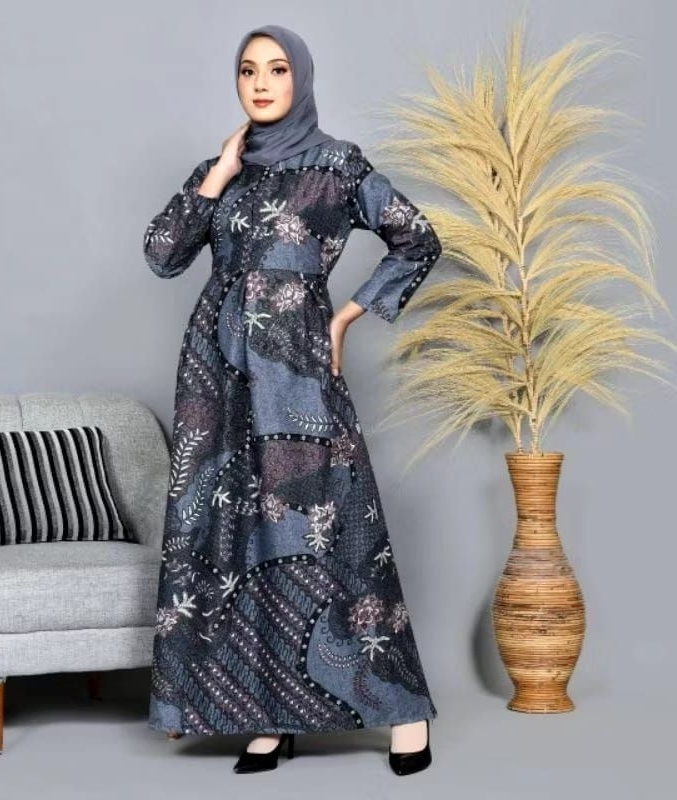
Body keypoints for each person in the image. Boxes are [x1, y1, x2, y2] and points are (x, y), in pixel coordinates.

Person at [142, 24, 442, 776]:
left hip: (296, 370)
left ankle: (402, 712)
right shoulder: (221, 170)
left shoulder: (337, 166)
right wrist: (219, 172)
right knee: (231, 539)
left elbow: (418, 238)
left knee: (330, 528)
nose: (261, 83)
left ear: (300, 79)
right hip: (215, 374)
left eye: (277, 70)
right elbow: (162, 255)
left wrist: (347, 317)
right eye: (248, 71)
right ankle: (266, 717)